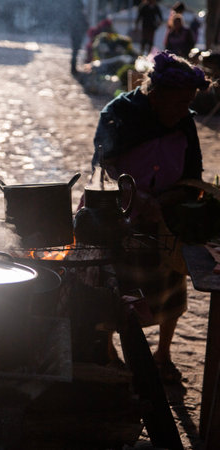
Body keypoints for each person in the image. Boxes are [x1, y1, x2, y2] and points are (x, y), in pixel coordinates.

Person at [91, 51, 210, 382]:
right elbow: (105, 167)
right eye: (177, 102)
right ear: (154, 95)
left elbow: (192, 172)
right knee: (114, 284)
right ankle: (110, 353)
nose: (183, 111)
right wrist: (137, 197)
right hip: (117, 212)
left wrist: (169, 199)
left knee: (170, 283)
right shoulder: (120, 114)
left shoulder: (183, 121)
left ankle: (163, 355)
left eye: (188, 103)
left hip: (166, 216)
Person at [68, 0, 89, 75]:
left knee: (75, 51)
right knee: (75, 52)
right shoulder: (79, 15)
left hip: (75, 35)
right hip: (77, 35)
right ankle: (73, 68)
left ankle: (73, 67)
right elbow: (85, 25)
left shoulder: (74, 14)